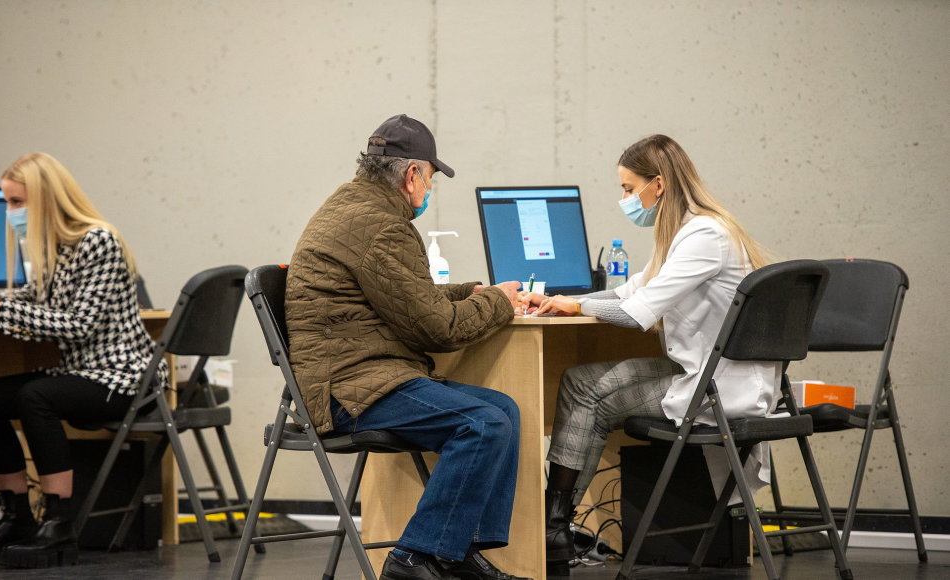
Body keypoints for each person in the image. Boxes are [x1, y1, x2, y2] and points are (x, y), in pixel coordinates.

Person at [285, 114, 530, 580]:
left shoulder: (353, 207)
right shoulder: (382, 227)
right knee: (483, 423)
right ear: (413, 174)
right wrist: (500, 302)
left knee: (504, 410)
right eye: (431, 179)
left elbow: (407, 295)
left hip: (361, 372)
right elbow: (436, 331)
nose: (429, 191)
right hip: (349, 388)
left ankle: (454, 554)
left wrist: (470, 292)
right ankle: (413, 558)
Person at [521, 134, 775, 576]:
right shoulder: (683, 231)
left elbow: (639, 311)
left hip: (719, 388)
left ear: (657, 185)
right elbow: (630, 289)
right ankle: (555, 529)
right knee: (580, 381)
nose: (623, 198)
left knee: (589, 397)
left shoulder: (704, 236)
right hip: (704, 372)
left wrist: (578, 305)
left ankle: (551, 528)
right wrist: (568, 299)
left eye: (627, 188)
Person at [0, 153, 168, 569]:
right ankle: (17, 518)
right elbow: (35, 300)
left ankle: (59, 522)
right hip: (80, 371)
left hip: (122, 375)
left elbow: (79, 324)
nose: (10, 213)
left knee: (35, 396)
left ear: (47, 199)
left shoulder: (98, 240)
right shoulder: (53, 248)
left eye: (15, 203)